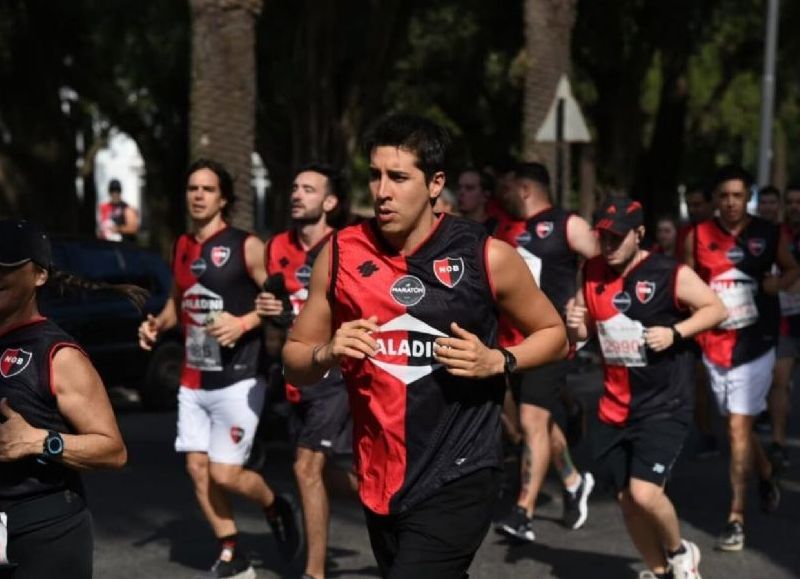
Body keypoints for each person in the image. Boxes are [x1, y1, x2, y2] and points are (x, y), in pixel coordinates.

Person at [282, 114, 568, 578]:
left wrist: (499, 359)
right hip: (380, 474)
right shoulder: (340, 253)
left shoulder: (485, 254)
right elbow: (294, 363)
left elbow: (555, 335)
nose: (381, 191)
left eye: (398, 177)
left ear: (436, 184)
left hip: (460, 471)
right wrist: (327, 352)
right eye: (375, 176)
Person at [138, 159, 299, 578]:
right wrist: (157, 324)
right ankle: (233, 552)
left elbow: (277, 304)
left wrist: (244, 322)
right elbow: (177, 304)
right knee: (196, 468)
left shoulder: (247, 245)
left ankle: (273, 503)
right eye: (192, 188)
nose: (197, 195)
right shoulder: (181, 247)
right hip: (194, 377)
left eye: (207, 189)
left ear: (223, 197)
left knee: (225, 474)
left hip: (239, 376)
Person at [566, 197, 727, 579]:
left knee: (645, 493)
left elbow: (715, 308)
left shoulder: (668, 272)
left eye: (617, 237)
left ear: (639, 234)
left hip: (663, 402)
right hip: (614, 404)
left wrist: (675, 332)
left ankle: (680, 552)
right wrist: (574, 323)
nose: (608, 245)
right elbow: (585, 332)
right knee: (625, 500)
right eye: (603, 236)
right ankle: (660, 571)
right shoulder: (590, 270)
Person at [0, 219, 139, 578]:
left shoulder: (58, 354)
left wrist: (38, 441)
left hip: (43, 530)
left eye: (7, 266)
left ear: (39, 275)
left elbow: (113, 450)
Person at [684, 165, 799, 552]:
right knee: (738, 425)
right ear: (715, 200)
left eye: (738, 195)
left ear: (747, 196)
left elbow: (792, 268)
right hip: (715, 343)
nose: (731, 203)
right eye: (724, 196)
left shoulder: (766, 233)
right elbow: (685, 282)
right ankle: (766, 473)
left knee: (736, 428)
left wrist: (777, 283)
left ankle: (735, 517)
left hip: (757, 341)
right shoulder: (698, 235)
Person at [255, 163, 355, 579]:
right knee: (325, 474)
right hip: (295, 374)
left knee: (305, 468)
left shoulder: (350, 247)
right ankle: (398, 499)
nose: (297, 195)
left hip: (336, 375)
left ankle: (315, 574)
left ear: (330, 202)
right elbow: (277, 318)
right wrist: (269, 312)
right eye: (295, 187)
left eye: (309, 189)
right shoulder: (276, 245)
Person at [493, 162, 599, 542]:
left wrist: (584, 300)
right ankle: (572, 481)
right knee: (536, 422)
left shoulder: (565, 223)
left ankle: (524, 512)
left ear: (525, 188)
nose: (501, 194)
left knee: (532, 422)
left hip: (551, 338)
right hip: (514, 343)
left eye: (507, 187)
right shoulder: (505, 227)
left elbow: (603, 258)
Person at [770, 183, 800, 470]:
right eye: (790, 202)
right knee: (780, 381)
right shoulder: (776, 235)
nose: (794, 207)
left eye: (798, 202)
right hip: (786, 320)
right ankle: (778, 442)